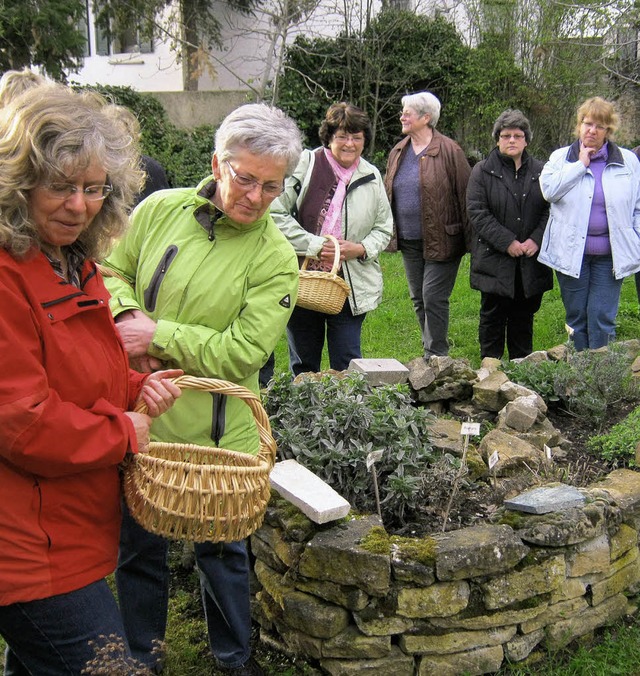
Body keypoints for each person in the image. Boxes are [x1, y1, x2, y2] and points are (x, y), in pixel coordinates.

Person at [101, 102, 303, 675]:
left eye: (272, 185)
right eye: (245, 179)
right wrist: (124, 319)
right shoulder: (159, 209)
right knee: (139, 550)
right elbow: (111, 271)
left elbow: (245, 351)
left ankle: (233, 661)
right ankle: (144, 659)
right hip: (144, 416)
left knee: (223, 553)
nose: (256, 197)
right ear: (217, 162)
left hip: (220, 433)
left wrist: (156, 333)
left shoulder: (276, 258)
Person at [0, 85, 182, 675]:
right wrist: (124, 431)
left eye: (94, 188)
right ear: (19, 181)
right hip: (24, 546)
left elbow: (81, 375)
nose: (79, 205)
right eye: (61, 185)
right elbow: (22, 423)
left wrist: (134, 389)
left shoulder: (74, 264)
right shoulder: (8, 276)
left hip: (66, 530)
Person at [271, 102, 392, 375]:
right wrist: (314, 245)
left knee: (348, 362)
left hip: (350, 285)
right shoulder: (307, 164)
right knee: (304, 363)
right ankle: (305, 416)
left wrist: (360, 249)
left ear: (364, 140)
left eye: (356, 137)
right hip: (302, 279)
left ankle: (347, 416)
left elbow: (384, 228)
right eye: (342, 136)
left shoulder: (371, 176)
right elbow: (275, 212)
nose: (349, 144)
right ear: (329, 137)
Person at [538, 96, 640, 350]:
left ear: (608, 131)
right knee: (576, 318)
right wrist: (580, 165)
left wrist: (635, 240)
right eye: (587, 123)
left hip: (611, 256)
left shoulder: (628, 161)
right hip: (571, 254)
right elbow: (549, 191)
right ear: (579, 125)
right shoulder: (561, 158)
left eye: (599, 126)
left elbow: (637, 206)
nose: (592, 130)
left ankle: (601, 379)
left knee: (602, 318)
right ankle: (579, 374)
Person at [384, 91, 471, 358]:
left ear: (426, 117)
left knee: (433, 296)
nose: (402, 117)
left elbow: (466, 195)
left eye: (407, 113)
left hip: (443, 238)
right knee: (418, 298)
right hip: (410, 239)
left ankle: (437, 356)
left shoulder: (449, 150)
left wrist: (472, 242)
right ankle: (430, 352)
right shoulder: (399, 151)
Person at [466, 109, 553, 360]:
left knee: (523, 320)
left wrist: (536, 239)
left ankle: (521, 374)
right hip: (494, 260)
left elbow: (551, 209)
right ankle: (489, 373)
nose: (512, 140)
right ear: (497, 139)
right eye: (506, 135)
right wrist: (507, 242)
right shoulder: (481, 172)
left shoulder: (542, 171)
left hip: (529, 260)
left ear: (527, 139)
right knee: (492, 318)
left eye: (517, 135)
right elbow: (477, 212)